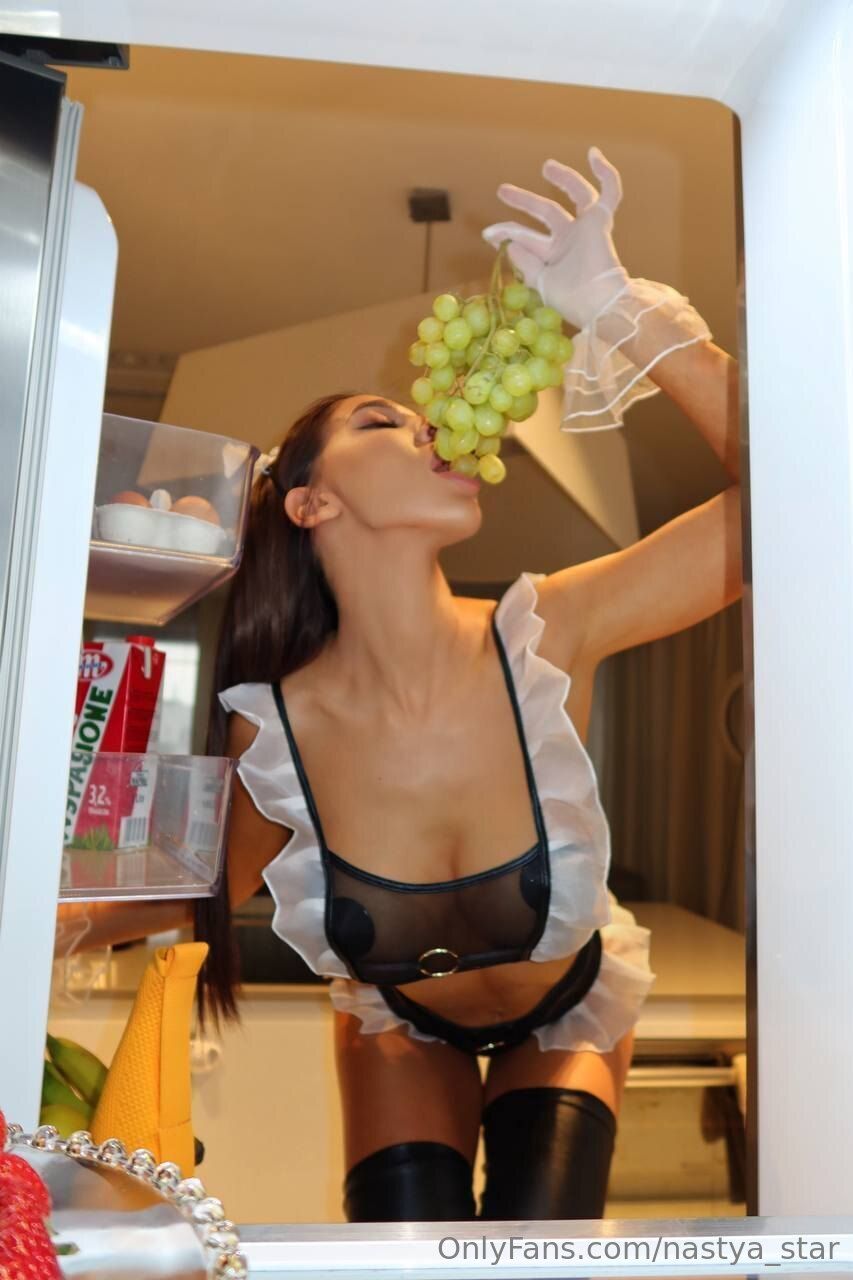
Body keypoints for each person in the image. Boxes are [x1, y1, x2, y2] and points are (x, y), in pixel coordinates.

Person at [60, 148, 742, 1222]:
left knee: (534, 1248)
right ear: (309, 503)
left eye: (425, 423)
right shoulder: (278, 733)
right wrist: (37, 912)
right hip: (401, 1025)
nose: (435, 429)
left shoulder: (547, 632)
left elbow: (807, 499)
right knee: (403, 1252)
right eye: (385, 424)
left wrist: (618, 308)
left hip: (571, 1008)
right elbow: (181, 897)